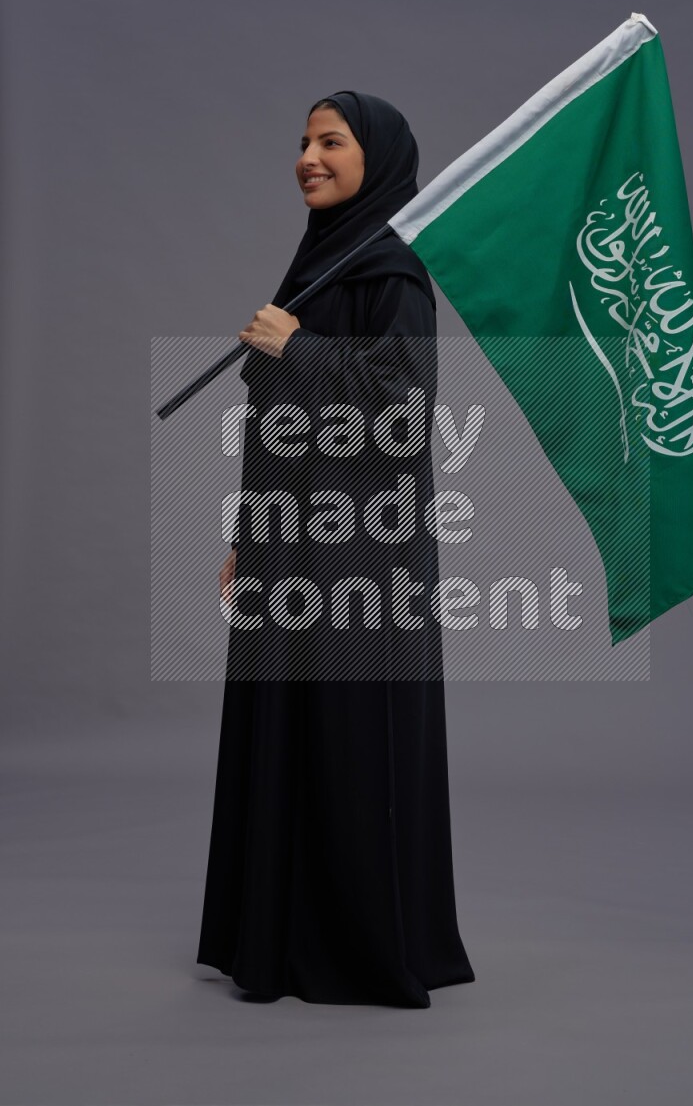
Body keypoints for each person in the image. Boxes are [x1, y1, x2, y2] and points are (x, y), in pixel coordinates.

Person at [196, 91, 475, 1008]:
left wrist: (296, 348)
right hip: (291, 546)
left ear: (377, 158)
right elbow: (276, 421)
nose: (307, 158)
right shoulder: (317, 266)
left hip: (360, 557)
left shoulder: (391, 272)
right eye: (303, 143)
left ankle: (357, 945)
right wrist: (249, 531)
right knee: (290, 728)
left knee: (350, 735)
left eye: (330, 141)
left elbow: (402, 410)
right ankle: (278, 936)